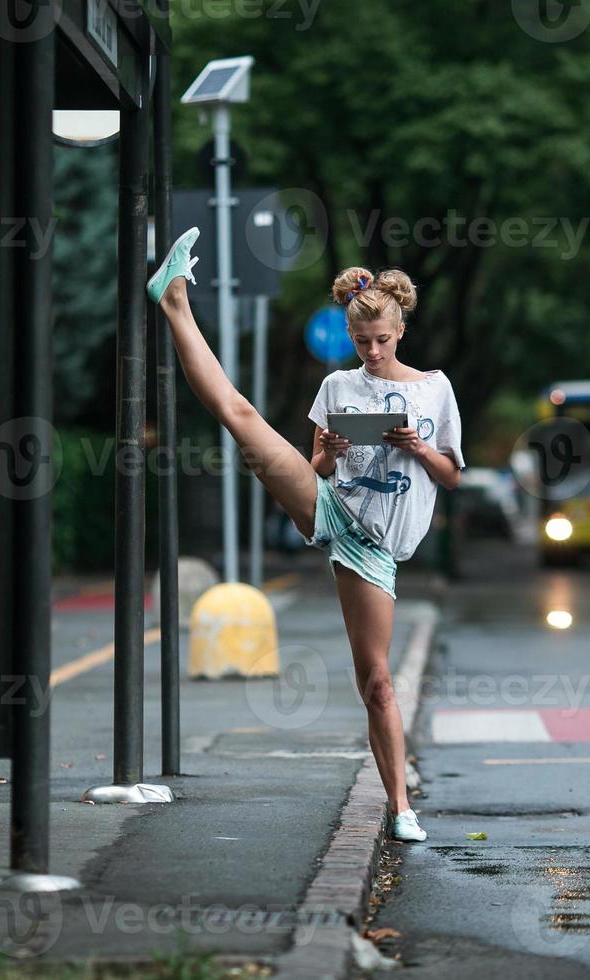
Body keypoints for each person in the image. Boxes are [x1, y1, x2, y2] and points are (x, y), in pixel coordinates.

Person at [149, 228, 464, 844]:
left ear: (400, 333)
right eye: (360, 342)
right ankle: (173, 299)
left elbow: (452, 476)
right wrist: (332, 450)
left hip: (376, 550)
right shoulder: (337, 387)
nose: (371, 352)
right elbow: (318, 466)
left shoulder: (435, 387)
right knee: (240, 417)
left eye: (380, 341)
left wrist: (418, 446)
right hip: (330, 509)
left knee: (375, 681)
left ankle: (400, 807)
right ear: (348, 337)